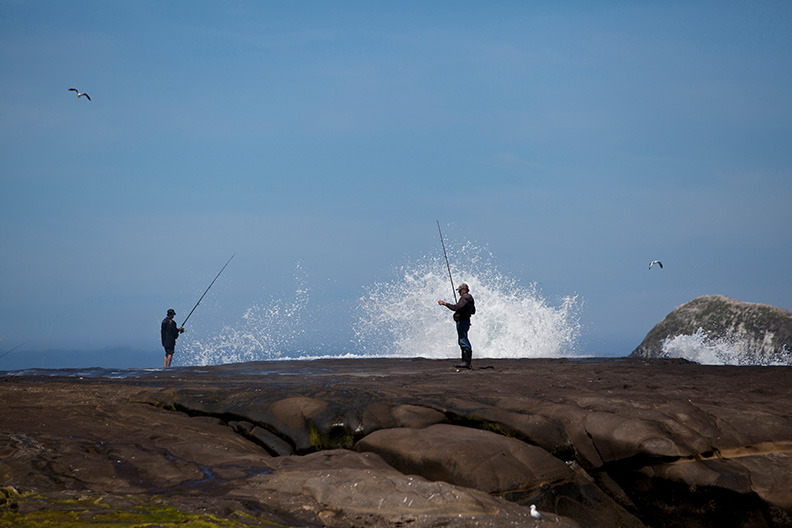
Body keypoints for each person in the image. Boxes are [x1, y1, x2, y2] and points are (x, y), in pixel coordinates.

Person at [438, 283, 476, 369]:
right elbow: (473, 311)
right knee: (462, 340)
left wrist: (445, 303)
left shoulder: (465, 298)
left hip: (462, 321)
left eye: (460, 291)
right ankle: (465, 362)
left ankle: (466, 363)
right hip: (465, 321)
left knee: (463, 340)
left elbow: (456, 308)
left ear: (464, 290)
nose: (459, 293)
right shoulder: (469, 299)